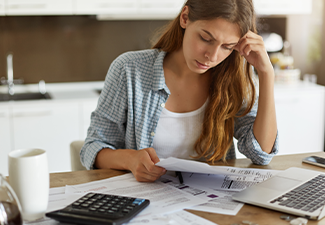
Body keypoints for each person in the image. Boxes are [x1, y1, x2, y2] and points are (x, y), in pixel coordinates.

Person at [80, 0, 279, 182]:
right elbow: (92, 148)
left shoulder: (233, 80)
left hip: (208, 204)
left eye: (227, 47)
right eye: (205, 38)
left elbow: (260, 154)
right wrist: (130, 159)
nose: (212, 55)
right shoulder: (129, 70)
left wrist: (266, 73)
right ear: (185, 18)